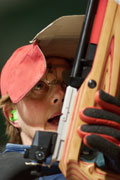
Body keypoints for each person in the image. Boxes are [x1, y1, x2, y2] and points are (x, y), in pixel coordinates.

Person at [0, 15, 120, 180]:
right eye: (39, 86)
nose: (61, 95)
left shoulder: (104, 163)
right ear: (11, 115)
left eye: (67, 81)